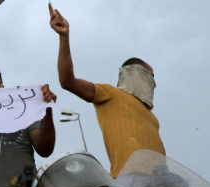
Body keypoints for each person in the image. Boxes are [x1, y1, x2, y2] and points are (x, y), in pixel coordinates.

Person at [49, 4, 165, 178]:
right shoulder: (111, 94)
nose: (153, 82)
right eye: (150, 74)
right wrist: (64, 37)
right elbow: (68, 82)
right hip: (130, 179)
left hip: (162, 183)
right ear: (133, 72)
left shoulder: (152, 117)